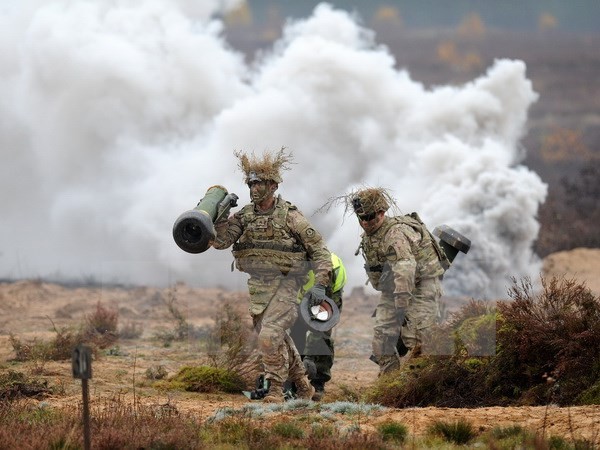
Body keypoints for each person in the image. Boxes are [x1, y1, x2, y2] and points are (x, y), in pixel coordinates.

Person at [212, 148, 332, 403]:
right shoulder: (245, 215)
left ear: (274, 185)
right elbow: (222, 242)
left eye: (260, 183)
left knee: (269, 336)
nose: (255, 189)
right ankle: (303, 386)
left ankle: (275, 389)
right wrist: (219, 218)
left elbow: (321, 252)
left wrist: (320, 286)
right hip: (259, 287)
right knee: (278, 338)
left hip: (288, 283)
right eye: (251, 183)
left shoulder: (291, 217)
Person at [351, 187, 446, 375]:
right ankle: (390, 384)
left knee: (418, 341)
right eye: (360, 217)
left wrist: (401, 304)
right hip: (393, 289)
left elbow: (405, 268)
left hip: (421, 286)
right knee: (381, 341)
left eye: (370, 217)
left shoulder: (395, 234)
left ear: (381, 213)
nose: (365, 222)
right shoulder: (371, 235)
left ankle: (421, 384)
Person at [289, 252, 346, 401]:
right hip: (300, 298)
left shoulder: (328, 268)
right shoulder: (289, 260)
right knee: (295, 335)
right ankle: (295, 381)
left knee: (321, 338)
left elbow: (320, 328)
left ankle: (318, 383)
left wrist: (309, 357)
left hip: (328, 294)